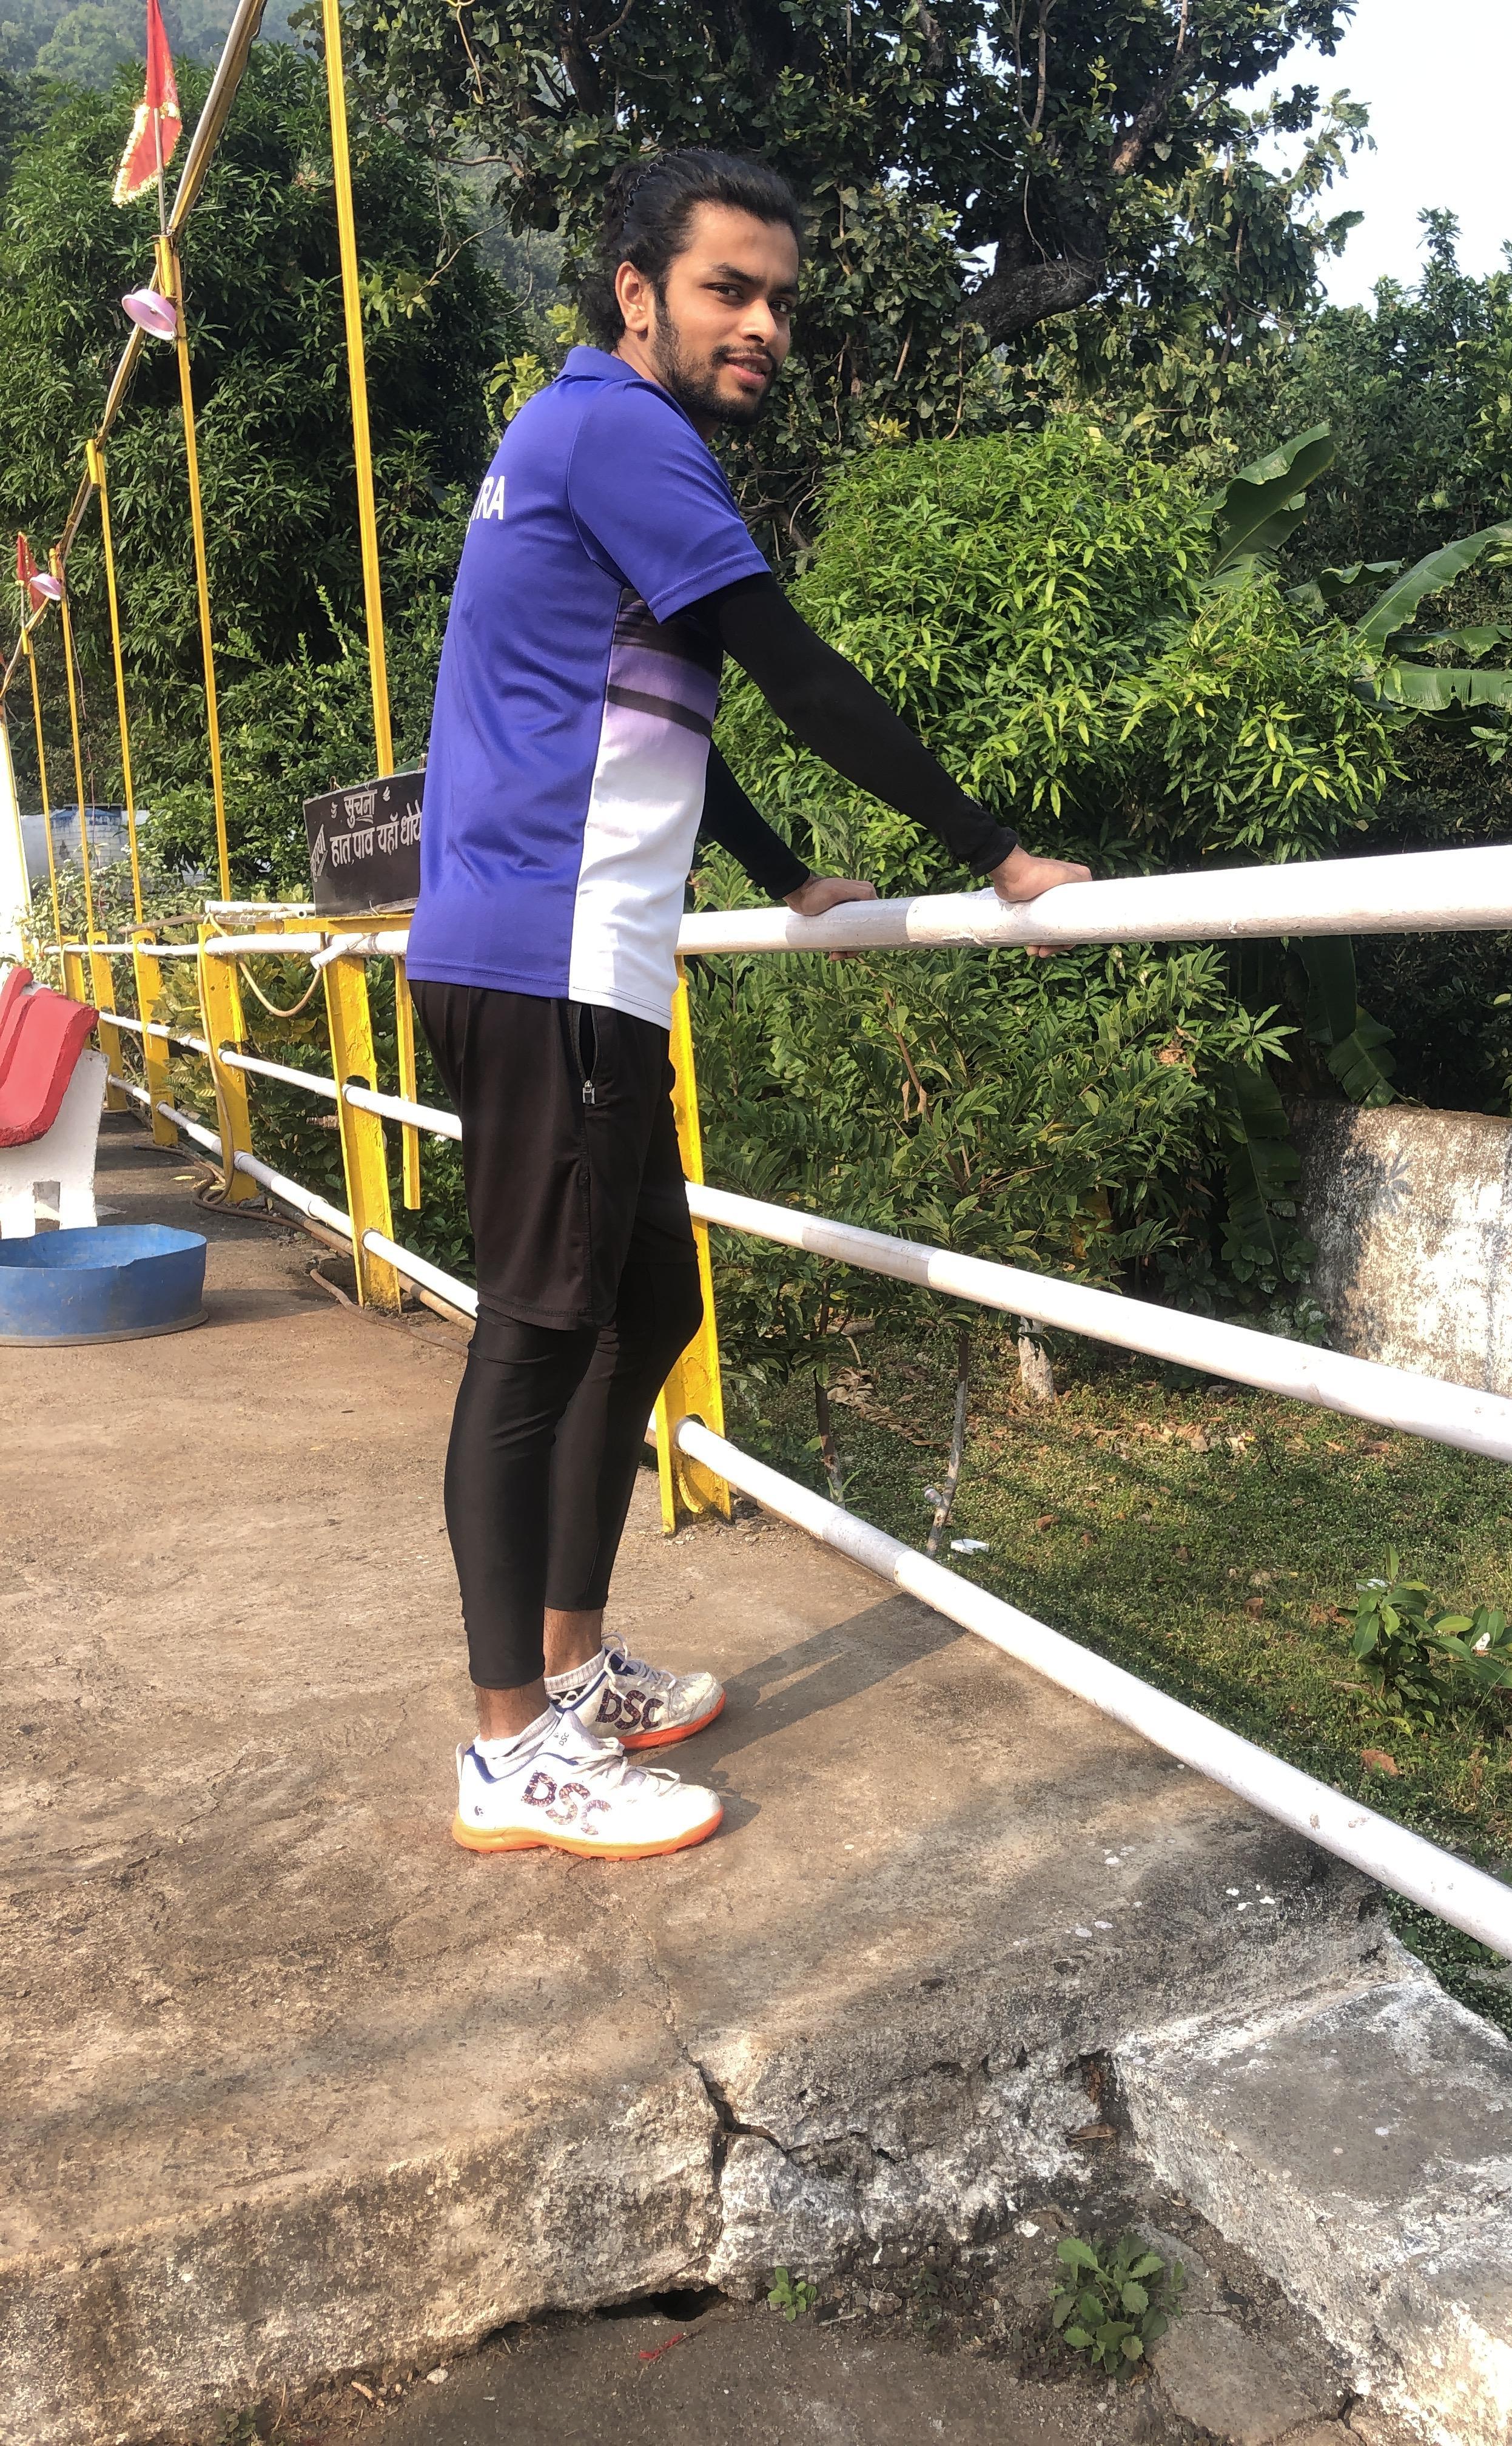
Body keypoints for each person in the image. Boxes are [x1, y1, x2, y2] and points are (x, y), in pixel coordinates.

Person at [406, 146, 1090, 1864]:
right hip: (547, 954)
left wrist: (785, 874)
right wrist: (996, 852)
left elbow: (660, 713)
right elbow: (796, 674)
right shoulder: (622, 432)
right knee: (538, 1333)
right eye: (729, 289)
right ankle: (506, 1746)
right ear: (637, 291)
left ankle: (572, 1668)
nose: (764, 324)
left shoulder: (585, 437)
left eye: (780, 298)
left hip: (579, 960)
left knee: (644, 1298)